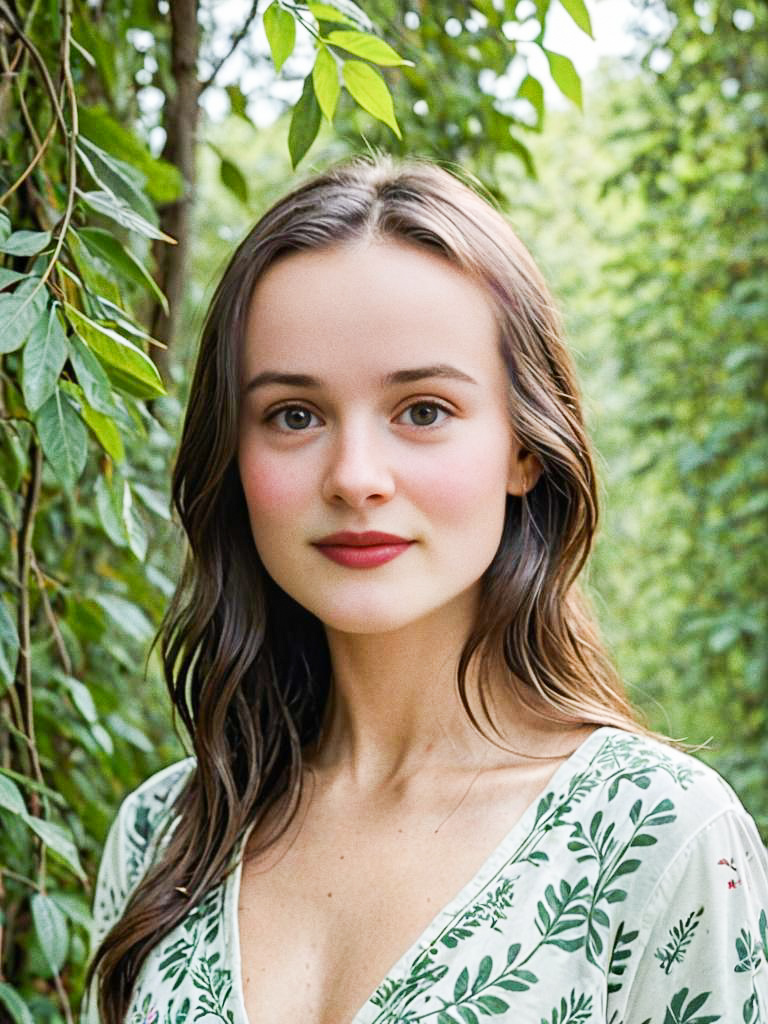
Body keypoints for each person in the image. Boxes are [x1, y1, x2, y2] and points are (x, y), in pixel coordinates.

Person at [82, 156, 768, 1024]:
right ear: (235, 455)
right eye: (295, 414)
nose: (355, 477)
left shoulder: (658, 838)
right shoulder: (160, 837)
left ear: (525, 447)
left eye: (423, 410)